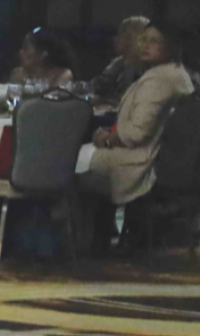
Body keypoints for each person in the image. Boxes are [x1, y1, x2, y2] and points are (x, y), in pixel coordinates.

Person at [79, 20, 194, 207]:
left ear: (171, 47)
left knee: (67, 162)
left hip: (137, 164)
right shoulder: (177, 73)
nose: (146, 46)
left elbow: (136, 134)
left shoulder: (158, 80)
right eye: (144, 40)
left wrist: (107, 140)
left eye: (155, 41)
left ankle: (80, 233)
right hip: (156, 158)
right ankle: (99, 230)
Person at [91, 16, 150, 105]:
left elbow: (128, 102)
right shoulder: (116, 65)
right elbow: (96, 86)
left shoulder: (145, 71)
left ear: (131, 38)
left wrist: (100, 100)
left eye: (119, 34)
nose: (115, 39)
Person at [8, 27, 77, 88]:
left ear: (43, 54)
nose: (21, 52)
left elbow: (53, 100)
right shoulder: (18, 74)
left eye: (26, 48)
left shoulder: (62, 74)